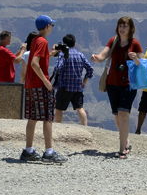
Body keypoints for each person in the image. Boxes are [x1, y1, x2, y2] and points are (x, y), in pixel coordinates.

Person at [91, 16, 143, 159]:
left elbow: (142, 64)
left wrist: (135, 59)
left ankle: (122, 149)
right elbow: (103, 55)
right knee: (116, 115)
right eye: (120, 25)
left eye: (125, 26)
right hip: (113, 83)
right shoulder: (113, 41)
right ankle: (126, 140)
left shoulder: (135, 44)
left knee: (123, 114)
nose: (122, 28)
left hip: (129, 83)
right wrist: (97, 58)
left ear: (130, 28)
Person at [20, 15, 68, 164]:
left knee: (33, 117)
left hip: (30, 84)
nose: (52, 27)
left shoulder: (34, 40)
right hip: (40, 84)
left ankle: (28, 151)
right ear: (47, 26)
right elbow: (35, 63)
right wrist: (46, 81)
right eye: (51, 25)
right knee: (47, 117)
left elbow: (38, 57)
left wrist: (52, 52)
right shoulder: (42, 41)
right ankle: (49, 153)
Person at [52, 34, 93, 126]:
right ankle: (85, 127)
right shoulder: (80, 55)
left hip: (64, 87)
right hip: (77, 87)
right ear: (74, 44)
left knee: (59, 109)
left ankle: (57, 127)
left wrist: (56, 78)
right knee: (80, 108)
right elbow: (90, 68)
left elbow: (58, 68)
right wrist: (85, 81)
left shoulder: (63, 55)